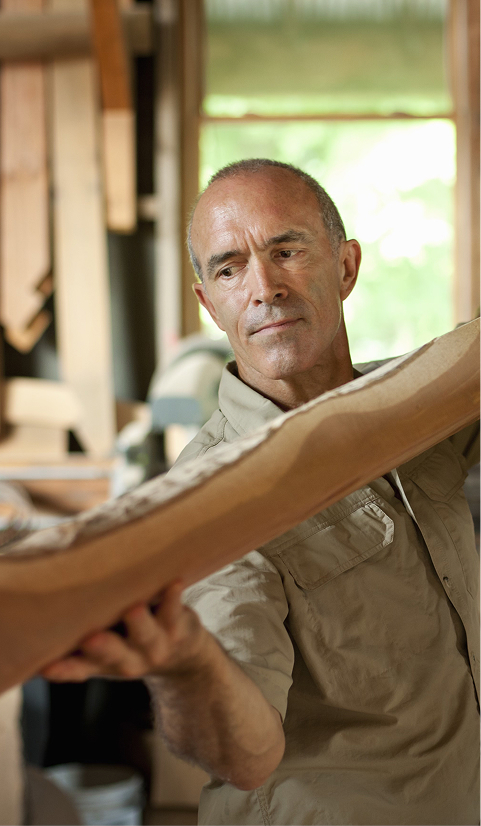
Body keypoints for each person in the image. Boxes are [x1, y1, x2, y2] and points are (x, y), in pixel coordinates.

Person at [44, 159, 480, 826]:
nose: (263, 287)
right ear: (208, 301)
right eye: (228, 268)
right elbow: (243, 758)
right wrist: (186, 663)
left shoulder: (416, 408)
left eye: (286, 250)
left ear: (345, 267)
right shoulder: (211, 500)